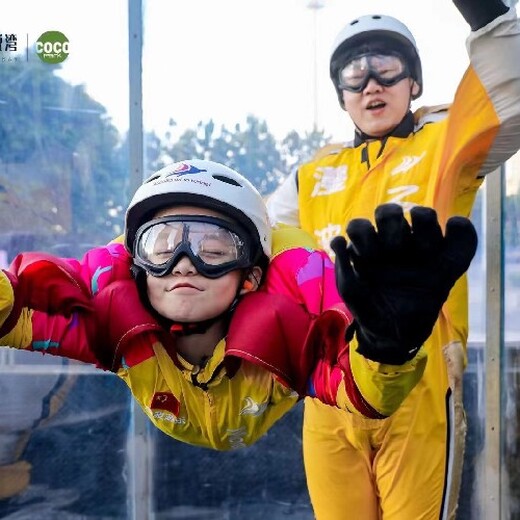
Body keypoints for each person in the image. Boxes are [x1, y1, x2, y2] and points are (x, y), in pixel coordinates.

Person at [0, 159, 477, 452]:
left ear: (250, 275)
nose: (184, 265)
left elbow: (367, 394)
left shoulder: (293, 305)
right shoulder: (112, 300)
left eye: (213, 250)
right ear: (137, 265)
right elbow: (17, 300)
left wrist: (387, 347)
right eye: (162, 247)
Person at [266, 1, 520, 519]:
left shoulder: (445, 141)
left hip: (419, 384)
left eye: (387, 66)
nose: (371, 84)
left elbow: (513, 88)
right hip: (331, 389)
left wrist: (487, 14)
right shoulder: (311, 176)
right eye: (354, 74)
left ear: (415, 83)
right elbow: (250, 238)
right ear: (340, 94)